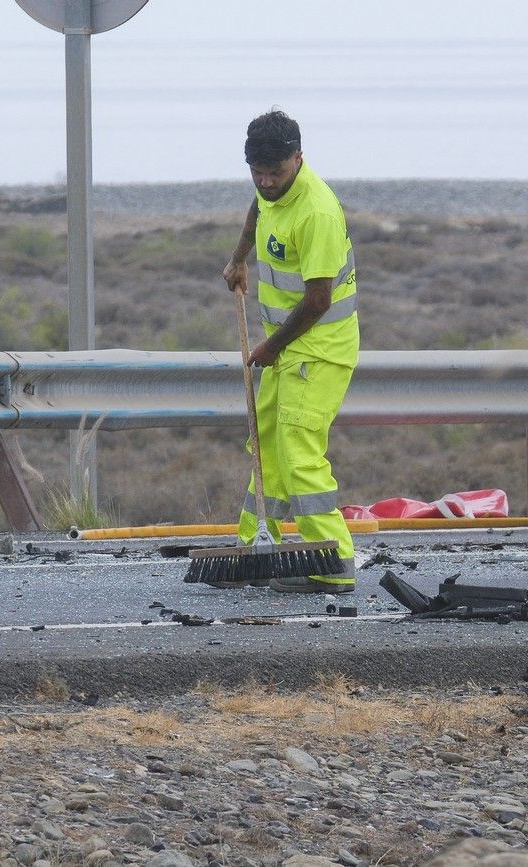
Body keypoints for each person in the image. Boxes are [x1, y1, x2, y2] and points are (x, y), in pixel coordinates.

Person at [221, 110, 359, 593]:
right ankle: (253, 550)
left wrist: (269, 347)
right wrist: (239, 258)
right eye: (256, 172)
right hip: (286, 350)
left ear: (298, 158)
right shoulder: (270, 191)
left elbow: (319, 300)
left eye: (274, 173)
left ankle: (333, 564)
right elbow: (258, 209)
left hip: (317, 351)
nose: (265, 182)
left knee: (298, 454)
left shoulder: (316, 212)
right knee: (268, 449)